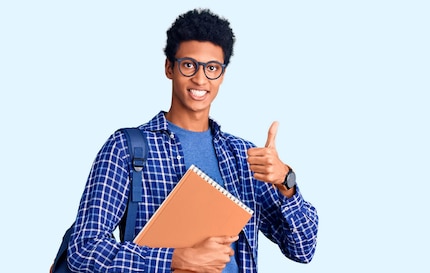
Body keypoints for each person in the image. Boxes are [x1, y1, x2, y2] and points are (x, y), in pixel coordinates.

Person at [66, 8, 318, 273]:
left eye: (212, 68)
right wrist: (175, 259)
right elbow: (84, 250)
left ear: (222, 75)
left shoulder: (243, 156)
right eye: (189, 65)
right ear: (169, 67)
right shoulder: (127, 148)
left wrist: (285, 181)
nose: (200, 78)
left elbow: (302, 249)